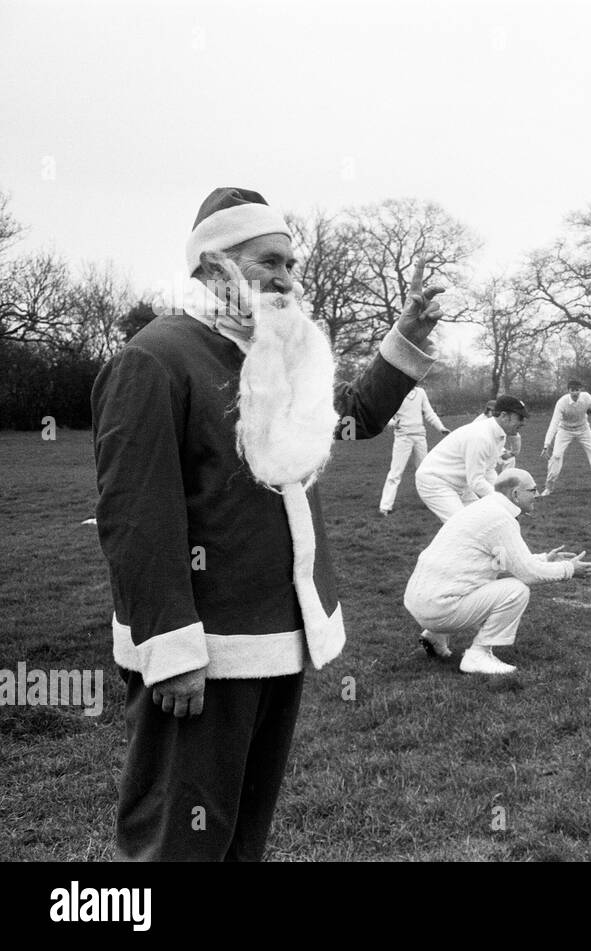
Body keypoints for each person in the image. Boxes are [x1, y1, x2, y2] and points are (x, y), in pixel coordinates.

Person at [91, 186, 443, 860]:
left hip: (277, 639)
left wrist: (405, 340)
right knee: (179, 845)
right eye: (269, 261)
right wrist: (171, 652)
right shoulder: (155, 356)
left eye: (291, 263)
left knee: (239, 838)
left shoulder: (275, 350)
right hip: (202, 654)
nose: (287, 277)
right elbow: (136, 518)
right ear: (212, 264)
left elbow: (351, 416)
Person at [404, 470, 591, 674]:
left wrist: (544, 558)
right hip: (438, 607)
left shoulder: (485, 508)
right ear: (515, 494)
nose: (538, 495)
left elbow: (503, 563)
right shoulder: (500, 518)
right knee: (516, 590)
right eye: (532, 490)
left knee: (488, 581)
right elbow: (528, 574)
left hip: (419, 600)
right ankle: (478, 655)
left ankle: (434, 637)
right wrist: (570, 569)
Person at [414, 395, 528, 522]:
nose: (523, 423)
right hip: (435, 481)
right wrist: (506, 503)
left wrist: (504, 497)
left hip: (460, 484)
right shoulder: (481, 437)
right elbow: (476, 481)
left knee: (482, 522)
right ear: (504, 416)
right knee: (462, 525)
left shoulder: (499, 436)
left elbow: (489, 471)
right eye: (520, 418)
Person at [379, 387, 449, 516]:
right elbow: (384, 414)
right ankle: (385, 507)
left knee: (426, 471)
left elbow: (429, 412)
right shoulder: (395, 392)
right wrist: (393, 423)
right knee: (396, 472)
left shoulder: (421, 392)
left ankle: (434, 502)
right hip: (403, 437)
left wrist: (441, 427)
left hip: (420, 437)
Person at [540, 379, 591, 495]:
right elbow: (554, 424)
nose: (575, 393)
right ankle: (549, 487)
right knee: (556, 456)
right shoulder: (561, 403)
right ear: (569, 391)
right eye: (573, 390)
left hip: (583, 429)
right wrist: (546, 445)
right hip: (564, 430)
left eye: (577, 390)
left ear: (581, 390)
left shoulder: (587, 397)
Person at [484, 398, 524, 472]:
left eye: (494, 411)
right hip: (481, 449)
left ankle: (506, 480)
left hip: (495, 447)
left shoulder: (501, 421)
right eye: (490, 410)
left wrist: (512, 453)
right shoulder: (480, 422)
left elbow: (514, 434)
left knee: (510, 459)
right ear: (486, 411)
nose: (492, 413)